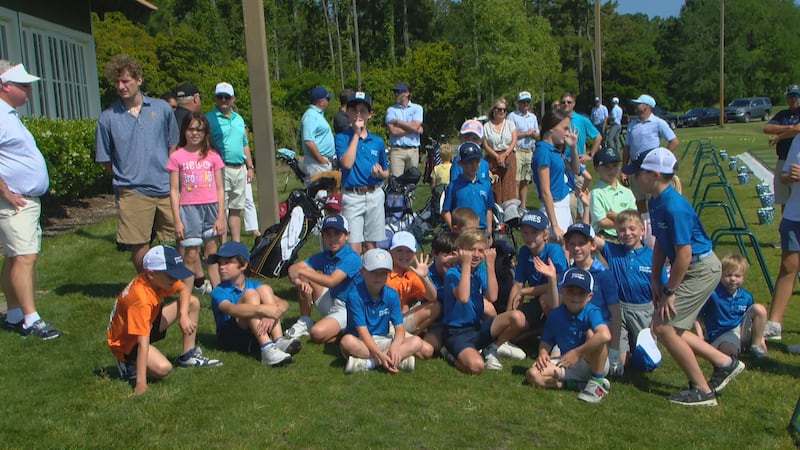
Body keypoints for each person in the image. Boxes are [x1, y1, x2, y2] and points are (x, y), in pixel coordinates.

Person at [623, 147, 744, 406]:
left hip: (699, 268)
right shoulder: (655, 200)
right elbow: (661, 245)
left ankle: (703, 391)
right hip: (687, 267)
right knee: (669, 326)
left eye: (638, 174)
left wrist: (669, 292)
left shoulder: (673, 206)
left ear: (654, 175)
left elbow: (684, 254)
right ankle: (724, 363)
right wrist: (655, 279)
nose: (634, 178)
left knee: (664, 328)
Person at [95, 54, 179, 273]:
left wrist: (169, 174)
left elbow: (173, 144)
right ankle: (148, 286)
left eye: (126, 81)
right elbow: (105, 159)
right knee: (139, 244)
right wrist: (126, 174)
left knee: (181, 237)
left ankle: (182, 284)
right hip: (132, 190)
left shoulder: (161, 109)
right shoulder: (108, 118)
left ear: (138, 79)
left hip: (165, 187)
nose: (121, 86)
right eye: (117, 82)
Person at [107, 245, 222, 395]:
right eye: (171, 276)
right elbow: (142, 343)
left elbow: (184, 289)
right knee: (163, 368)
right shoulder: (140, 299)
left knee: (192, 302)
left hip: (148, 321)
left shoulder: (157, 280)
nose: (175, 279)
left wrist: (183, 315)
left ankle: (188, 355)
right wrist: (141, 384)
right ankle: (127, 364)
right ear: (151, 273)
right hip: (127, 341)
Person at [0, 61, 61, 339]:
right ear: (5, 86)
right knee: (24, 257)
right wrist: (6, 192)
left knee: (15, 257)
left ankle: (14, 314)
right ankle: (31, 318)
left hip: (22, 199)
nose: (29, 91)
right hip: (16, 201)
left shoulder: (9, 115)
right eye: (24, 86)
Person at [440, 229, 525, 374]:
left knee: (518, 318)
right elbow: (463, 297)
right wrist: (466, 265)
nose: (476, 255)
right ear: (461, 250)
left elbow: (492, 297)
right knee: (476, 366)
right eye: (471, 250)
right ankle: (449, 354)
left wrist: (490, 265)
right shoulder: (452, 274)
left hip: (477, 327)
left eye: (481, 250)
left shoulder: (480, 271)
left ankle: (491, 348)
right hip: (456, 333)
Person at [524, 268, 611, 403]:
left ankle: (597, 380)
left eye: (581, 293)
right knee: (532, 374)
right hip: (566, 363)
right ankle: (575, 385)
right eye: (571, 291)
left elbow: (605, 336)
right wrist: (542, 352)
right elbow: (546, 340)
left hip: (591, 361)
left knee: (593, 334)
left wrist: (577, 353)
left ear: (589, 296)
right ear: (563, 291)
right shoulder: (555, 314)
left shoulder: (592, 311)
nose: (575, 297)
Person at [209, 242, 301, 367]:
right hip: (230, 337)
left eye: (227, 263)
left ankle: (278, 340)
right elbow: (231, 309)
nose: (221, 267)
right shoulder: (218, 290)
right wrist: (263, 309)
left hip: (253, 332)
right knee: (251, 295)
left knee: (265, 289)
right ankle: (266, 347)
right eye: (220, 263)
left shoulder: (253, 284)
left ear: (243, 265)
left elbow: (283, 303)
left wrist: (270, 314)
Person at [594, 210, 662, 372]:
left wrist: (657, 316)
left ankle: (636, 348)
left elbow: (662, 287)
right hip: (619, 309)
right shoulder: (613, 250)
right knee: (619, 366)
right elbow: (589, 237)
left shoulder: (652, 257)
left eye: (632, 229)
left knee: (647, 363)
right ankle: (624, 352)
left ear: (642, 230)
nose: (627, 233)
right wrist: (586, 206)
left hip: (645, 309)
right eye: (622, 230)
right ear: (617, 233)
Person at [167, 112, 225, 294]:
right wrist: (177, 220)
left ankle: (218, 295)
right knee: (191, 255)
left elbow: (219, 188)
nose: (195, 133)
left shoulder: (213, 156)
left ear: (205, 132)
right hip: (188, 209)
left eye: (199, 129)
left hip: (211, 208)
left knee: (212, 253)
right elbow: (174, 190)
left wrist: (220, 216)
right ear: (184, 131)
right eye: (191, 129)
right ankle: (185, 298)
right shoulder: (177, 157)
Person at [340, 248, 423, 373]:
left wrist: (394, 346)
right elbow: (363, 332)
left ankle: (369, 363)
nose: (378, 277)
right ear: (362, 272)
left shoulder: (391, 294)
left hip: (383, 339)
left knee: (417, 342)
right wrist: (381, 354)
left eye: (383, 273)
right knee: (346, 342)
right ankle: (395, 360)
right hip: (361, 340)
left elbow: (399, 329)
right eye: (373, 272)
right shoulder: (354, 296)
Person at [285, 214, 361, 343]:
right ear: (322, 236)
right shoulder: (325, 255)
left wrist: (304, 272)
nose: (333, 239)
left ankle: (349, 332)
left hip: (350, 307)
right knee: (304, 275)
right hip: (332, 299)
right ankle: (305, 321)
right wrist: (300, 282)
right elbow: (292, 270)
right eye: (328, 234)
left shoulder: (352, 257)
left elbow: (332, 281)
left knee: (317, 334)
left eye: (337, 234)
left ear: (347, 235)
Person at [563, 223, 622, 375]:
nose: (576, 248)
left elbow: (615, 312)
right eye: (572, 244)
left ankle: (596, 373)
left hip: (599, 327)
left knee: (591, 335)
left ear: (593, 245)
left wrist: (615, 351)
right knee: (558, 361)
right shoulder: (568, 273)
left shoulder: (603, 274)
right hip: (573, 326)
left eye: (582, 243)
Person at [335, 91, 389, 254]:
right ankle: (355, 277)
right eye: (354, 110)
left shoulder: (377, 141)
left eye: (363, 110)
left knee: (371, 245)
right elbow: (346, 163)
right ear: (348, 113)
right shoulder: (341, 137)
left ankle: (371, 278)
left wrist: (380, 174)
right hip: (352, 196)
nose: (358, 114)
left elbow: (387, 172)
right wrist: (356, 135)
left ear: (369, 114)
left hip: (374, 194)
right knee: (354, 245)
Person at [206, 81, 254, 243]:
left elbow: (244, 144)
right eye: (220, 97)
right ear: (216, 98)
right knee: (221, 209)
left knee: (236, 209)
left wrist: (250, 166)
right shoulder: (209, 118)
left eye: (227, 97)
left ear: (233, 98)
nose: (224, 100)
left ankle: (236, 244)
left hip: (239, 168)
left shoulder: (238, 119)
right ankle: (224, 246)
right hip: (221, 168)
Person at [696, 253, 768, 359]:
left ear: (743, 277)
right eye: (728, 275)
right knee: (730, 352)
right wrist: (700, 337)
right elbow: (697, 315)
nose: (733, 279)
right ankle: (738, 348)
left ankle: (755, 345)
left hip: (740, 329)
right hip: (721, 332)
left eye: (737, 276)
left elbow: (750, 317)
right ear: (720, 275)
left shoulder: (746, 296)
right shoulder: (713, 294)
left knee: (759, 309)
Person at [508, 211, 567, 341]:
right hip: (537, 299)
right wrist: (509, 316)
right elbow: (518, 283)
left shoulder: (553, 250)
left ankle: (560, 336)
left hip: (558, 299)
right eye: (525, 232)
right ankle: (539, 329)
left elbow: (557, 282)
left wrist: (524, 291)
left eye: (534, 232)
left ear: (545, 235)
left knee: (544, 300)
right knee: (515, 333)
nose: (529, 237)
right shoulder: (524, 251)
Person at [764, 130, 800, 343]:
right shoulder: (797, 140)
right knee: (788, 267)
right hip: (793, 215)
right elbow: (784, 175)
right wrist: (790, 176)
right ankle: (773, 325)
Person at [622, 94, 679, 214]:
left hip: (652, 169)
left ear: (647, 106)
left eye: (638, 104)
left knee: (655, 199)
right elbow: (627, 147)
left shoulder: (658, 122)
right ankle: (644, 228)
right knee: (639, 200)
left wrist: (662, 158)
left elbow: (674, 141)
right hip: (635, 167)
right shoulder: (632, 124)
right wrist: (624, 169)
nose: (635, 106)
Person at [531, 108, 580, 242]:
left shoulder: (554, 151)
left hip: (563, 205)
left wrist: (573, 147)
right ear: (551, 128)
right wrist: (555, 225)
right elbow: (545, 191)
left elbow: (575, 169)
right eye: (564, 128)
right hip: (554, 208)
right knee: (559, 251)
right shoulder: (543, 152)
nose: (567, 133)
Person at [386, 231, 438, 359]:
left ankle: (401, 345)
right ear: (390, 251)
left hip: (397, 321)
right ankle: (383, 358)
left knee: (436, 306)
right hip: (382, 322)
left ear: (414, 253)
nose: (404, 255)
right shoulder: (383, 272)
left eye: (409, 251)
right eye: (399, 250)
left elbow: (433, 297)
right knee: (426, 350)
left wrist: (424, 278)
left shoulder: (410, 274)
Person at [422, 231, 460, 354]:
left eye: (454, 255)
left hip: (459, 320)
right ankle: (447, 352)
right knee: (433, 344)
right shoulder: (427, 274)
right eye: (446, 255)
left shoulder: (460, 271)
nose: (450, 260)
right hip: (438, 322)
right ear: (434, 253)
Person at [441, 142, 494, 231]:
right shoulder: (454, 186)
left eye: (477, 161)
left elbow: (489, 209)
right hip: (462, 231)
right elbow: (446, 211)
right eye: (469, 162)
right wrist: (454, 229)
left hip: (481, 230)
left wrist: (489, 232)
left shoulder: (485, 185)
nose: (474, 165)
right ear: (460, 163)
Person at [763, 84, 800, 212]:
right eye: (791, 96)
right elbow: (767, 128)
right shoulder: (782, 114)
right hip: (783, 160)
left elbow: (798, 129)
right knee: (784, 198)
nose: (793, 99)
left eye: (796, 96)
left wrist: (779, 137)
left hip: (798, 162)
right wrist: (788, 128)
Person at [589, 147, 636, 240]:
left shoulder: (627, 192)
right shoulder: (596, 192)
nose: (611, 170)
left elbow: (634, 218)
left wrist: (617, 217)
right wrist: (626, 222)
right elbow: (601, 221)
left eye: (615, 165)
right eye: (606, 166)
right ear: (596, 168)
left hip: (626, 238)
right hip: (605, 238)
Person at [482, 98, 518, 204]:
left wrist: (504, 154)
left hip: (508, 156)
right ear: (494, 110)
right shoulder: (487, 126)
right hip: (492, 156)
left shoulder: (510, 124)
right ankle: (495, 209)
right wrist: (497, 156)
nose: (502, 112)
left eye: (504, 110)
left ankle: (510, 211)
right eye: (499, 109)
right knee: (494, 184)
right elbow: (485, 144)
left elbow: (514, 140)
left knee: (509, 184)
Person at [508, 91, 540, 209]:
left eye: (528, 102)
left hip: (529, 151)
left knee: (526, 180)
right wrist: (526, 133)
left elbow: (537, 134)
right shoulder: (512, 116)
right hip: (517, 150)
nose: (526, 104)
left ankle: (523, 206)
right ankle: (514, 207)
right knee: (516, 180)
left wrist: (534, 135)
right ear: (518, 103)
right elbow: (511, 134)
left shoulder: (532, 117)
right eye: (523, 102)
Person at [385, 81, 423, 177]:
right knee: (396, 182)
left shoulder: (417, 108)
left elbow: (416, 126)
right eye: (395, 92)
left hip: (413, 150)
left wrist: (398, 122)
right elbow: (393, 131)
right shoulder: (391, 110)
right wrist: (413, 129)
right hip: (397, 150)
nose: (396, 94)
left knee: (411, 181)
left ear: (407, 93)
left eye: (399, 92)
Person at [301, 86, 335, 176]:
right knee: (320, 190)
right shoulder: (311, 116)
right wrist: (321, 160)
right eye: (327, 99)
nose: (328, 101)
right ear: (321, 102)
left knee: (325, 189)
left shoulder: (317, 115)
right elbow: (308, 141)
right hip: (316, 162)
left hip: (320, 161)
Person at [450, 119, 492, 183]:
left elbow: (486, 188)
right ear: (460, 138)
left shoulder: (484, 164)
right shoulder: (458, 162)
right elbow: (454, 186)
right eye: (466, 138)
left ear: (481, 141)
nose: (470, 141)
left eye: (474, 139)